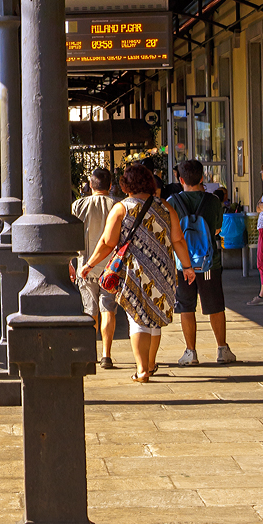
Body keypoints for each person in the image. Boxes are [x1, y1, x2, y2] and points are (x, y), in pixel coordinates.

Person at [79, 161, 195, 384]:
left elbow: (107, 242)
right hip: (164, 270)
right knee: (154, 317)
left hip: (135, 270)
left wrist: (90, 264)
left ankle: (142, 370)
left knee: (137, 319)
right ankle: (150, 365)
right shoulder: (165, 206)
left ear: (125, 185)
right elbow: (178, 239)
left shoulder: (122, 208)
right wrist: (187, 267)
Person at [170, 159, 236, 365]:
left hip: (183, 263)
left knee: (186, 306)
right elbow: (217, 229)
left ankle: (190, 352)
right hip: (209, 263)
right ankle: (222, 349)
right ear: (203, 178)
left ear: (180, 179)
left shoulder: (172, 202)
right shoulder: (213, 201)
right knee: (215, 305)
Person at [71, 167, 117, 368]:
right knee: (108, 310)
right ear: (110, 185)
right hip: (112, 268)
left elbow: (69, 237)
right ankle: (107, 355)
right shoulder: (118, 206)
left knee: (90, 311)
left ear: (90, 185)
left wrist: (70, 264)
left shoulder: (78, 205)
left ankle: (91, 353)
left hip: (85, 266)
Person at [250, 163, 263, 307]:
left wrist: (262, 206)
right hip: (262, 227)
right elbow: (258, 206)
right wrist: (261, 206)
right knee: (261, 261)